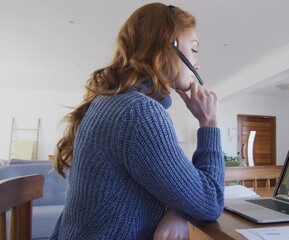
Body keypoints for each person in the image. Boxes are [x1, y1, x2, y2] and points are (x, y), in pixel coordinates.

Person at [50, 3, 224, 239]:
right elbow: (210, 202)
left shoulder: (115, 102)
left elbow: (183, 190)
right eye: (193, 49)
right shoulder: (139, 113)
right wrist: (209, 123)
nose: (197, 62)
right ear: (169, 45)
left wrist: (179, 209)